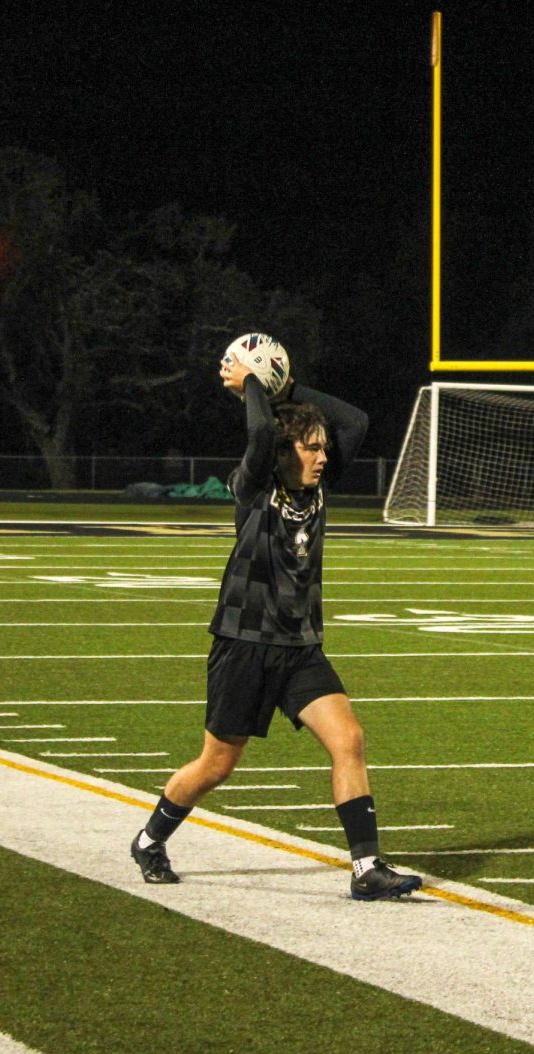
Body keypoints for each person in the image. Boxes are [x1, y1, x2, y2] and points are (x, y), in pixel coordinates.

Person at [131, 344, 423, 900]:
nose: (321, 457)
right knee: (217, 765)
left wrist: (285, 388)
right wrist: (252, 389)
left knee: (349, 740)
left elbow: (354, 421)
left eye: (321, 449)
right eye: (309, 448)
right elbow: (262, 435)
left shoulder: (319, 489)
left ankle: (366, 869)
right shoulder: (254, 487)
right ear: (283, 453)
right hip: (243, 644)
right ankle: (149, 839)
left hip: (299, 648)